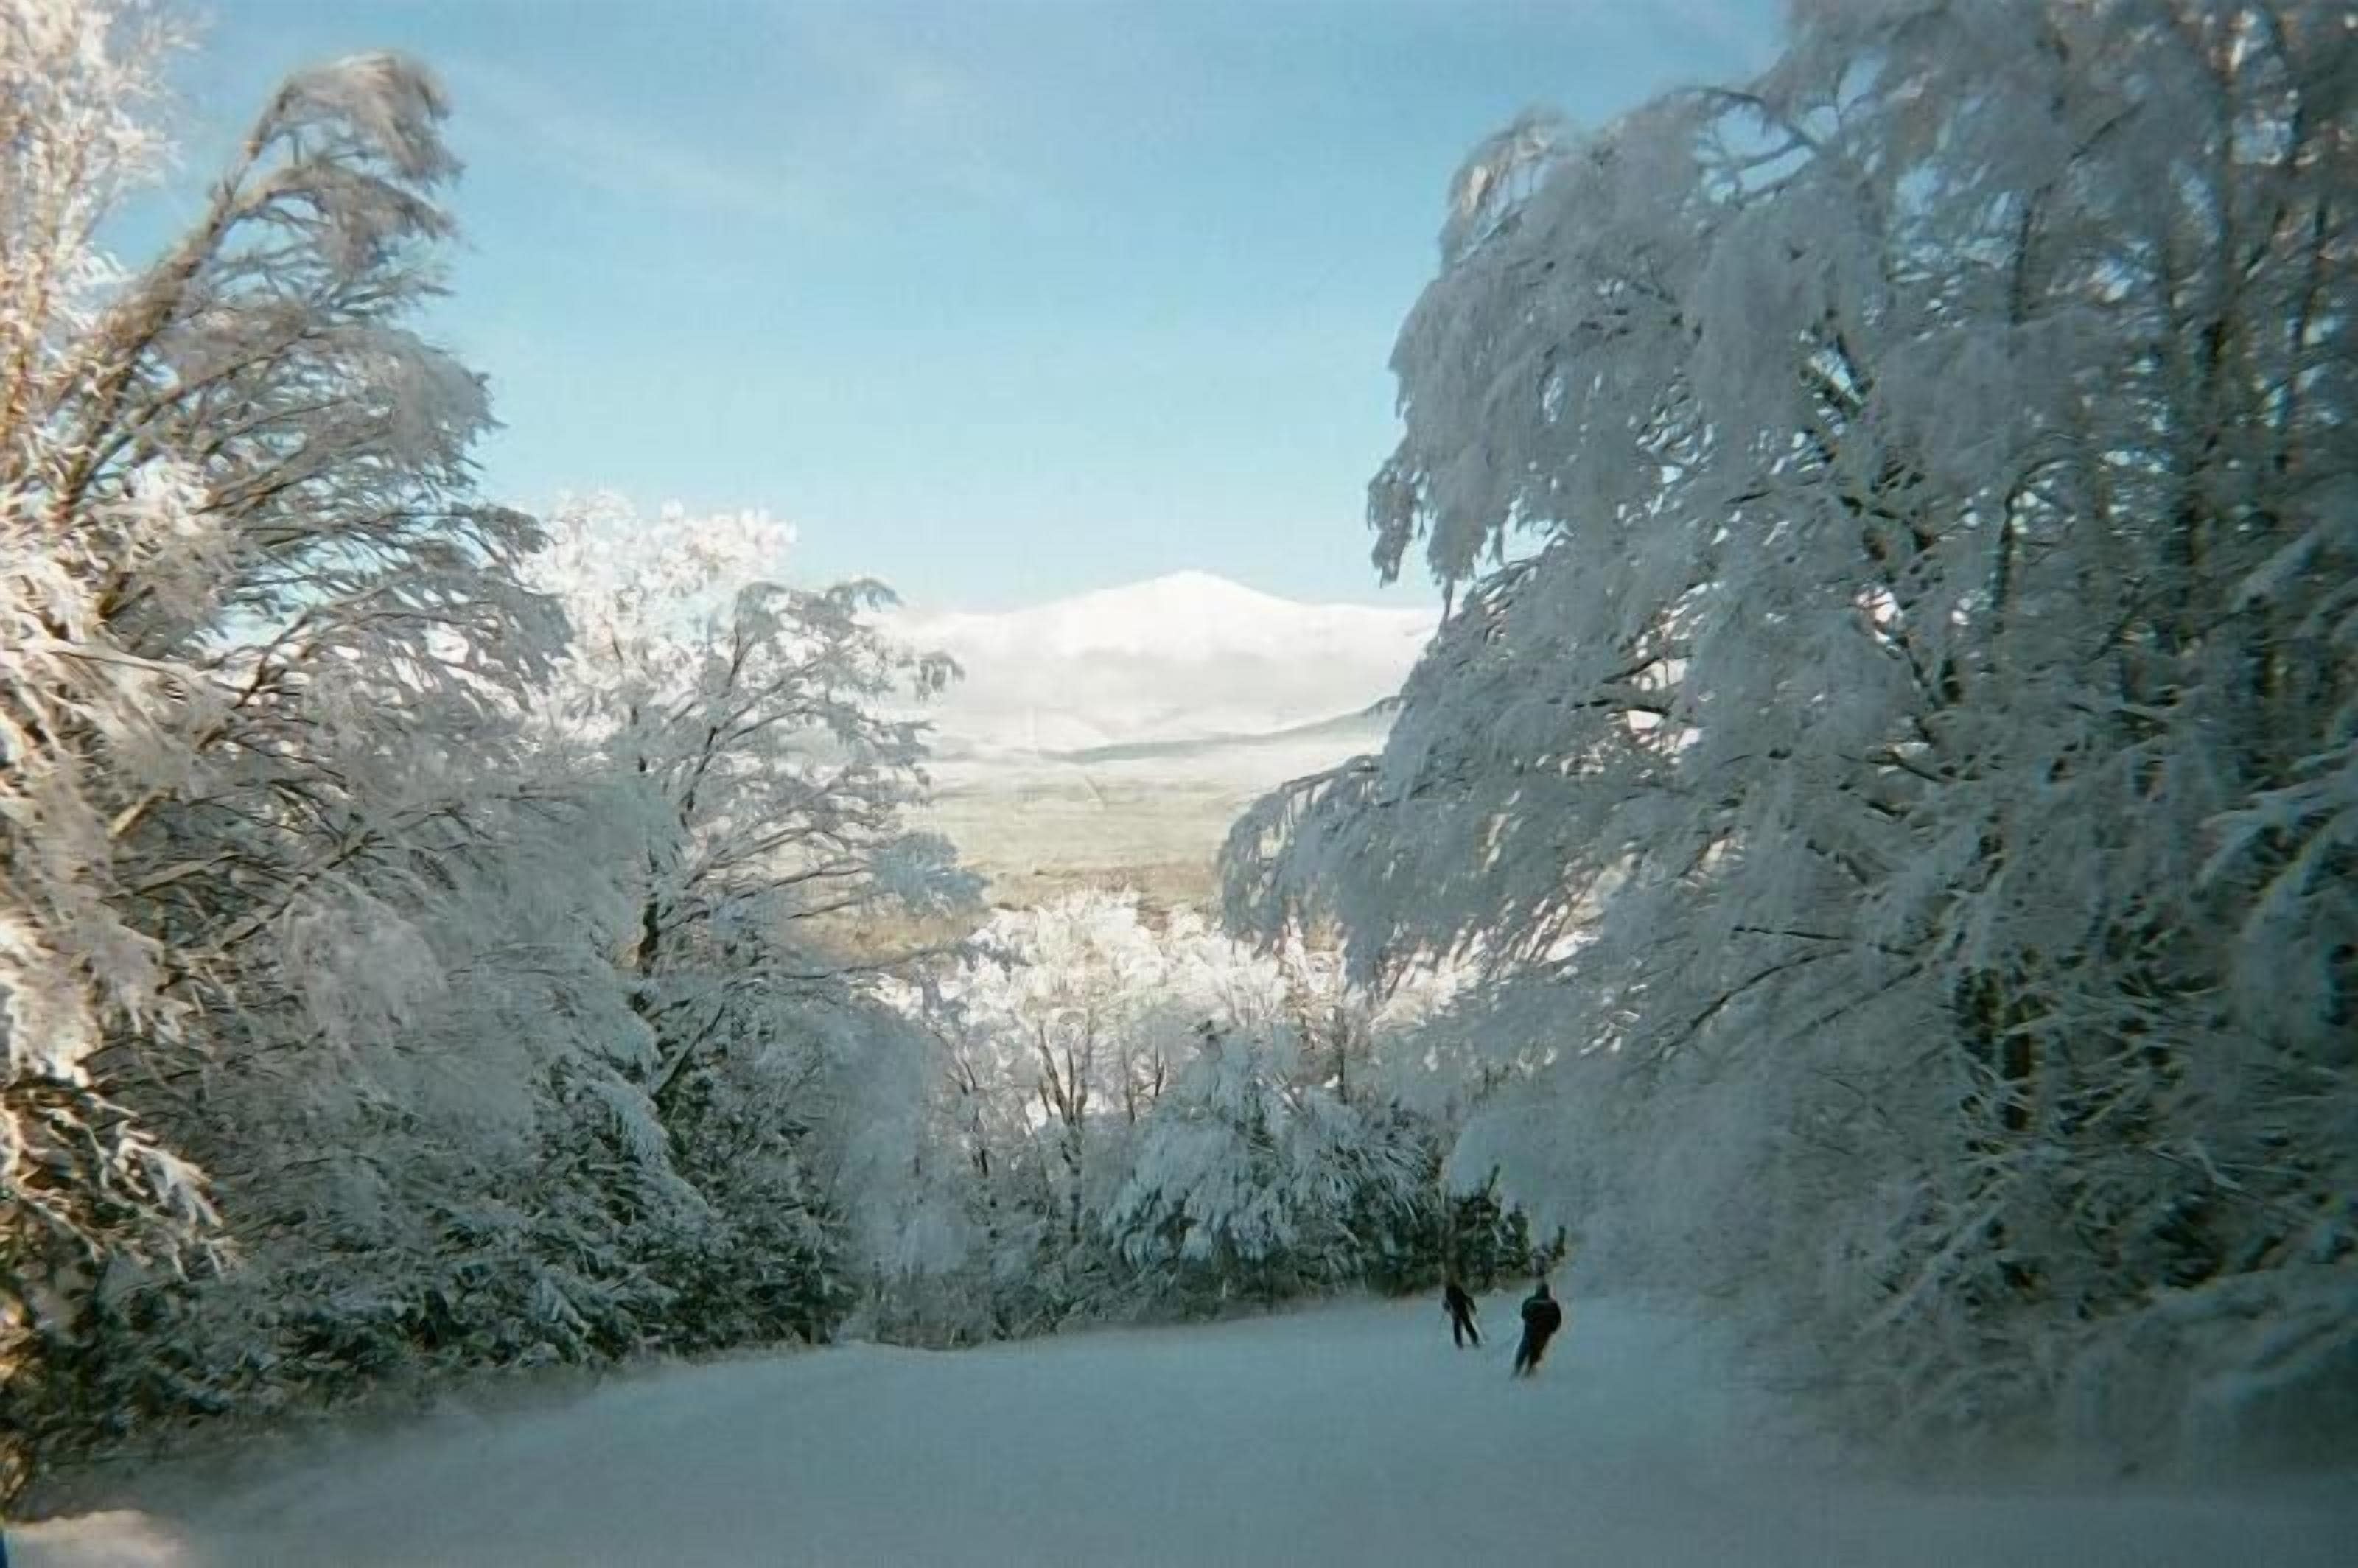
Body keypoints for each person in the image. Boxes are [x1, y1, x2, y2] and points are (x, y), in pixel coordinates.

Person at [1511, 1279, 1564, 1377]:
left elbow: (1524, 1313)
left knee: (1525, 1346)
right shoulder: (1553, 1303)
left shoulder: (1530, 1301)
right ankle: (1530, 1367)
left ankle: (1518, 1366)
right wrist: (1554, 1328)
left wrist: (1528, 1321)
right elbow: (1558, 1318)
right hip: (1545, 1331)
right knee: (1538, 1348)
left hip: (1531, 1328)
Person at [1443, 1276, 1480, 1348]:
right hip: (1461, 1310)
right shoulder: (1456, 1290)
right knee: (1466, 1325)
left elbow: (1446, 1303)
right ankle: (1474, 1339)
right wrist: (1472, 1306)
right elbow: (1465, 1298)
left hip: (1457, 1311)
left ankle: (1459, 1341)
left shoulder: (1450, 1291)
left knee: (1458, 1326)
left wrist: (1447, 1308)